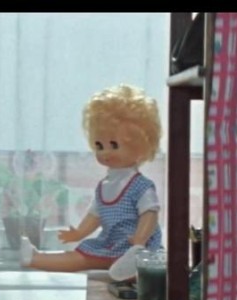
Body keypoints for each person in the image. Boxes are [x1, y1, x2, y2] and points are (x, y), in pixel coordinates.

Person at [20, 84, 163, 281]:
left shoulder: (141, 186)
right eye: (99, 146)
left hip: (134, 247)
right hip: (109, 244)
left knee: (138, 265)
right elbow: (95, 216)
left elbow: (150, 214)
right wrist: (79, 233)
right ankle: (35, 258)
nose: (105, 153)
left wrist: (140, 240)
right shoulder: (104, 187)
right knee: (79, 258)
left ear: (141, 147)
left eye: (114, 145)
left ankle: (129, 272)